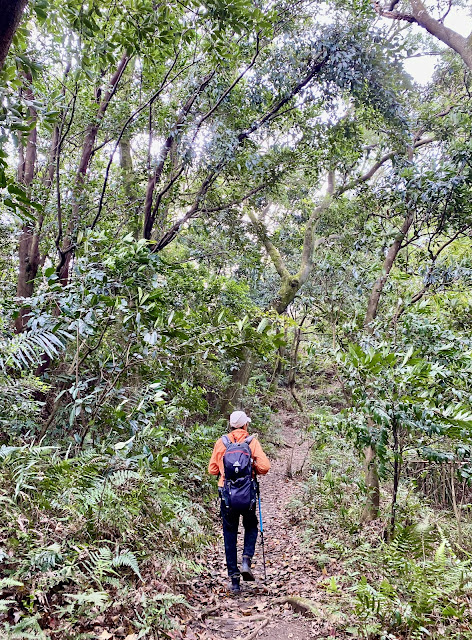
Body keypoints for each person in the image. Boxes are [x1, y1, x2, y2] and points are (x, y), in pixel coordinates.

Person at [208, 410, 271, 593]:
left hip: (227, 495)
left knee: (229, 533)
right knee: (251, 525)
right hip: (247, 495)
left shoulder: (222, 442)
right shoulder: (251, 442)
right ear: (245, 425)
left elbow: (212, 469)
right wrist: (252, 466)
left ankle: (234, 581)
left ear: (230, 426)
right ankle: (246, 559)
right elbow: (265, 467)